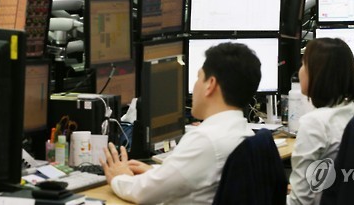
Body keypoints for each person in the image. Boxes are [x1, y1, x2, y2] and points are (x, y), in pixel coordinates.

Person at [100, 42, 261, 204]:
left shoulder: (206, 139)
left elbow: (143, 193)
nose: (194, 86)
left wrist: (119, 176)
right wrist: (159, 172)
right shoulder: (241, 131)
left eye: (199, 77)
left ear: (210, 85)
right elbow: (199, 174)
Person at [287, 38, 354, 205]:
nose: (300, 71)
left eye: (304, 64)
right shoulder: (353, 114)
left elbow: (301, 200)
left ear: (318, 73)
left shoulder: (315, 123)